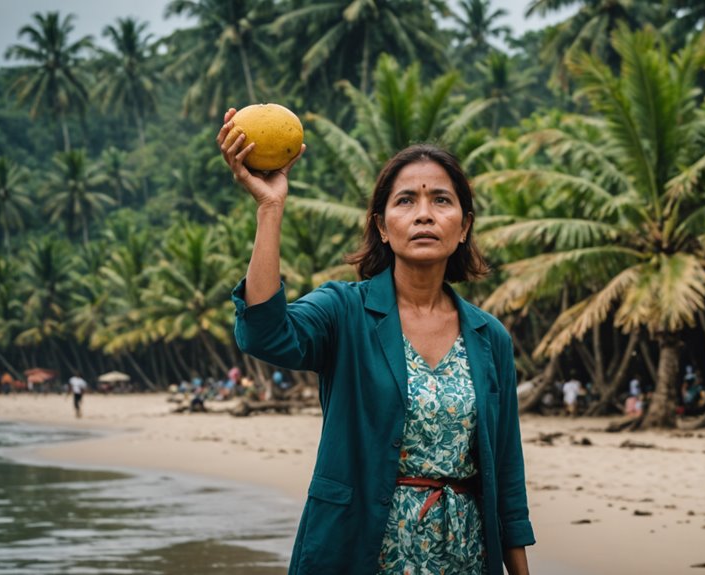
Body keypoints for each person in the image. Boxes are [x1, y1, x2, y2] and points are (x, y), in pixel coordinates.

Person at [218, 111, 534, 575]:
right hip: (360, 548)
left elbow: (507, 473)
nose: (424, 214)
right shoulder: (343, 312)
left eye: (441, 201)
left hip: (465, 554)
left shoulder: (490, 337)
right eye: (405, 201)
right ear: (383, 226)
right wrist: (270, 208)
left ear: (463, 226)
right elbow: (265, 333)